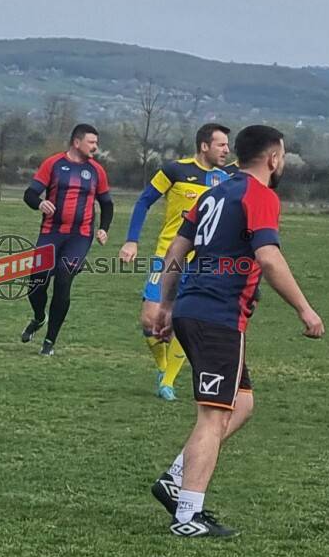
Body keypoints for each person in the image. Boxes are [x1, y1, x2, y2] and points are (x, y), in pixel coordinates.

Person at [148, 125, 325, 538]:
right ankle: (188, 516)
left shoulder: (214, 193)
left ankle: (176, 479)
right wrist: (305, 309)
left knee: (240, 404)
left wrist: (167, 304)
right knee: (213, 415)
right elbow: (269, 258)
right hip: (218, 315)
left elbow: (176, 249)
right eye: (283, 155)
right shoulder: (259, 195)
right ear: (273, 158)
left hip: (194, 308)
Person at [119, 123, 233, 400]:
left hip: (202, 262)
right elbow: (144, 202)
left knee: (186, 321)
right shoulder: (175, 170)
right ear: (204, 146)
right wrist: (132, 240)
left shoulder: (227, 180)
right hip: (167, 257)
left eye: (227, 145)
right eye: (221, 145)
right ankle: (162, 367)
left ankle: (168, 382)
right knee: (150, 321)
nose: (227, 150)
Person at [21, 124, 112, 355]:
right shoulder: (53, 164)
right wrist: (40, 203)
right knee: (37, 282)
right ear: (77, 142)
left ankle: (49, 341)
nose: (95, 147)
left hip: (80, 236)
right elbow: (30, 194)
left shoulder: (97, 171)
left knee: (63, 278)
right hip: (51, 232)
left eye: (96, 142)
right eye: (91, 142)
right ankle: (39, 317)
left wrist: (104, 228)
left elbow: (107, 203)